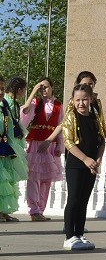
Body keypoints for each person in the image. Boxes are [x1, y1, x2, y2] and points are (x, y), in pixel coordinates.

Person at [61, 83, 106, 250]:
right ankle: (69, 236)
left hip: (91, 166)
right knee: (73, 199)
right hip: (76, 164)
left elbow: (101, 140)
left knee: (84, 201)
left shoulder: (95, 117)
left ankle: (79, 234)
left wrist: (97, 160)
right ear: (73, 100)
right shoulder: (71, 117)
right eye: (78, 100)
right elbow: (68, 142)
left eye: (85, 99)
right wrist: (86, 159)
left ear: (91, 99)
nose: (81, 103)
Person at [41, 71, 106, 157]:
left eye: (90, 84)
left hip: (91, 144)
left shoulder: (97, 103)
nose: (88, 86)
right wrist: (49, 140)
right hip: (77, 143)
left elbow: (102, 124)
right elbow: (64, 122)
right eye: (85, 84)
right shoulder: (74, 102)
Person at [20, 76, 64, 221]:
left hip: (49, 144)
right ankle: (33, 210)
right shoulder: (35, 102)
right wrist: (33, 92)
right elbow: (25, 113)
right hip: (36, 143)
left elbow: (61, 125)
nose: (43, 89)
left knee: (46, 179)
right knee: (33, 177)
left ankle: (40, 209)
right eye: (41, 87)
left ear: (52, 87)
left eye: (45, 86)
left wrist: (59, 145)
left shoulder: (58, 105)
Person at [0, 75, 27, 223]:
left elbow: (9, 127)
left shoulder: (4, 104)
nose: (0, 92)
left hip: (4, 146)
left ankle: (4, 210)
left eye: (2, 89)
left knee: (6, 179)